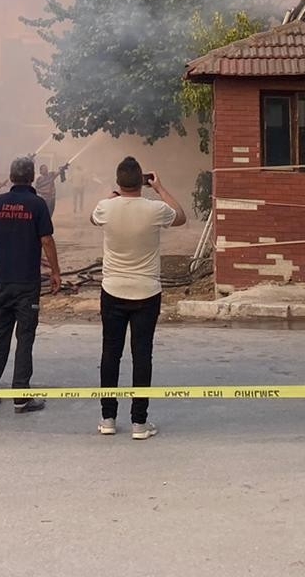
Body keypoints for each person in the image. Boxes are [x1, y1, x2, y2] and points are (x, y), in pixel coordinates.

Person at [90, 156, 186, 440]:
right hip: (146, 293)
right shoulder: (155, 209)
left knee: (111, 354)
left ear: (119, 182)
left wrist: (115, 194)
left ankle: (108, 418)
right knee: (142, 355)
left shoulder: (105, 207)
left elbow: (93, 218)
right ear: (142, 182)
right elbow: (180, 216)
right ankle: (139, 424)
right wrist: (160, 188)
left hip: (113, 290)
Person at [0, 156, 61, 412]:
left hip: (2, 284)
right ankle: (22, 396)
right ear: (32, 176)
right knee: (25, 338)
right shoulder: (37, 204)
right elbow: (46, 241)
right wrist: (56, 272)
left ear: (12, 177)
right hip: (27, 285)